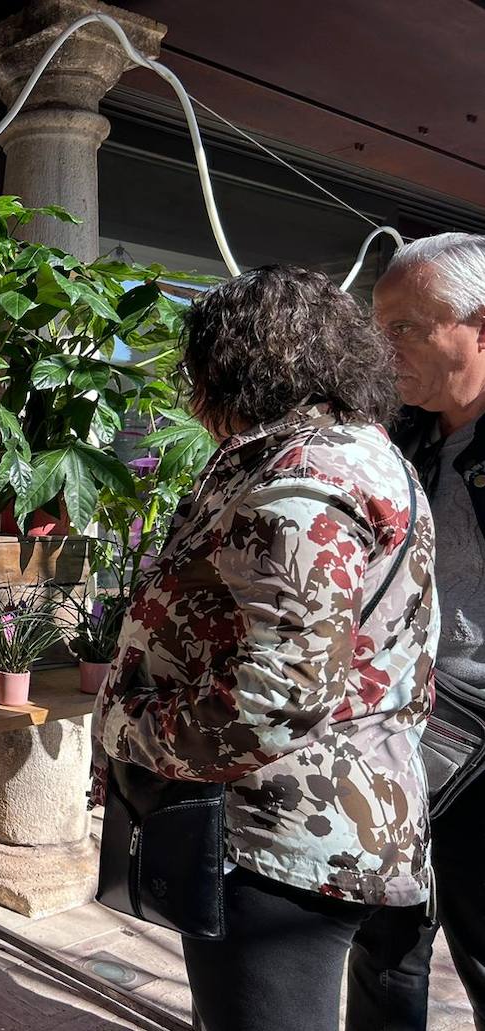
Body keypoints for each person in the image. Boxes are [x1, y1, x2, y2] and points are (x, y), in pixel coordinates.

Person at [92, 266, 438, 1031]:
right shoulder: (351, 454)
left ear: (238, 367)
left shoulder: (308, 475)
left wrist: (129, 731)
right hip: (327, 821)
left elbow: (280, 689)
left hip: (280, 840)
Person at [349, 233, 485, 1031]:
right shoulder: (399, 433)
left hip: (480, 749)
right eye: (380, 325)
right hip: (399, 727)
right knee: (386, 942)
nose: (385, 346)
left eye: (408, 325)